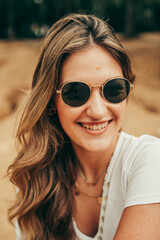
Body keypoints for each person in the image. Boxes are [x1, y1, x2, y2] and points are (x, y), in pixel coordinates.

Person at [8, 13, 160, 240]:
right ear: (51, 100)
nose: (98, 111)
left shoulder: (150, 160)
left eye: (113, 89)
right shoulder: (36, 183)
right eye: (76, 92)